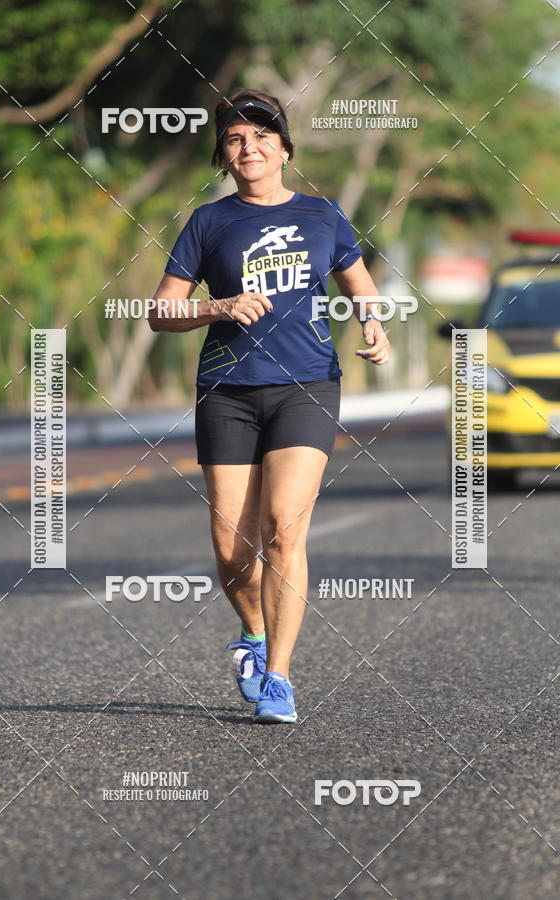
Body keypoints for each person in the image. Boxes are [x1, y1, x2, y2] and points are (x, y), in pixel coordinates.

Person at [149, 88, 389, 723]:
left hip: (306, 385)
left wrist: (373, 321)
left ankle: (279, 677)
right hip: (226, 390)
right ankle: (253, 635)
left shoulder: (324, 214)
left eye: (260, 136)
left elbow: (357, 279)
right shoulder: (208, 222)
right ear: (224, 157)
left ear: (284, 148)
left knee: (284, 525)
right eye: (233, 139)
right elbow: (159, 311)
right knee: (233, 549)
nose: (247, 146)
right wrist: (216, 307)